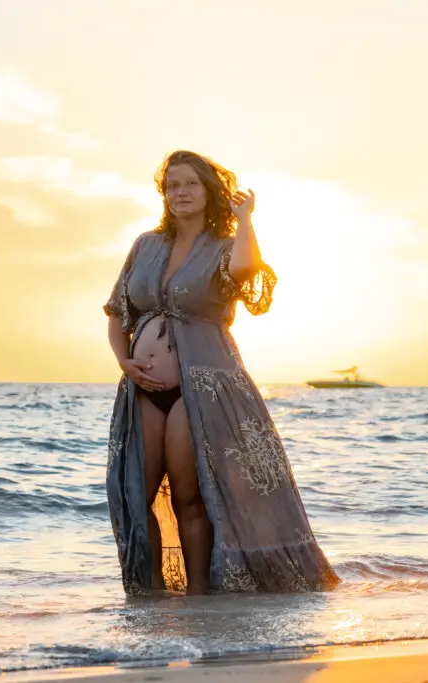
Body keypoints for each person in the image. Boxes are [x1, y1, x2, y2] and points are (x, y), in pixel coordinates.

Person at [103, 150, 340, 596]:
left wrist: (245, 219)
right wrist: (124, 360)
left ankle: (198, 599)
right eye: (172, 185)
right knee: (137, 494)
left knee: (192, 496)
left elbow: (246, 271)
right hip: (141, 388)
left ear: (209, 191)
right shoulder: (146, 245)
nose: (180, 193)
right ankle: (149, 600)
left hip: (204, 390)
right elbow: (118, 311)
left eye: (190, 184)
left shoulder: (225, 247)